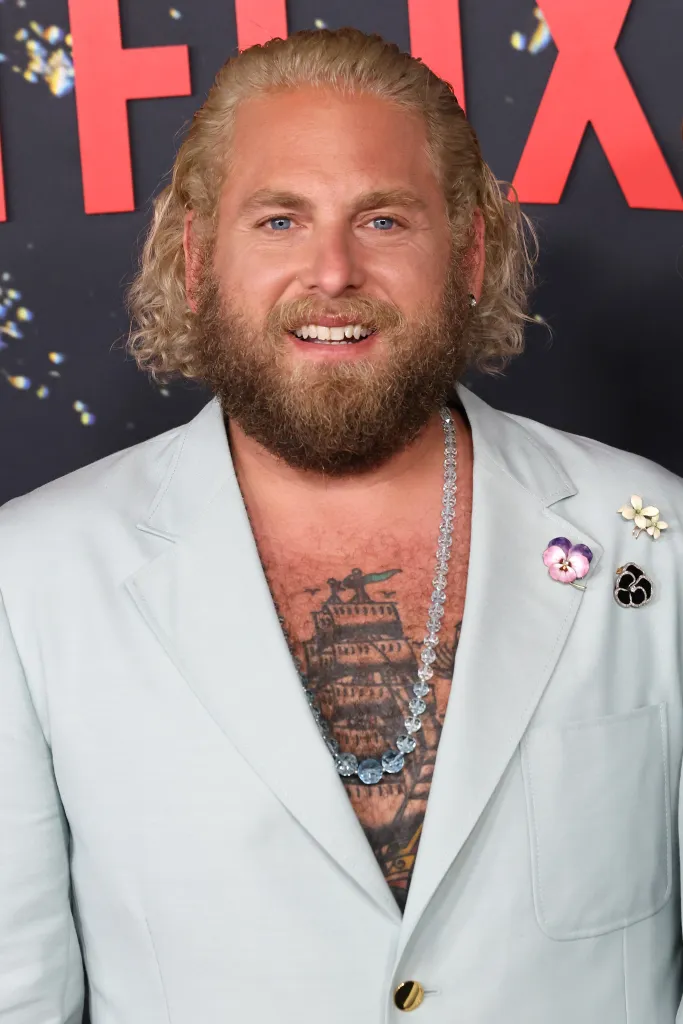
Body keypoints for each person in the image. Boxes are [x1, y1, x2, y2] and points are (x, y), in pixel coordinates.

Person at [1, 26, 682, 1024]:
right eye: (279, 220)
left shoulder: (653, 538)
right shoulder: (32, 576)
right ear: (197, 257)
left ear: (468, 253)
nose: (331, 272)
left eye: (383, 220)